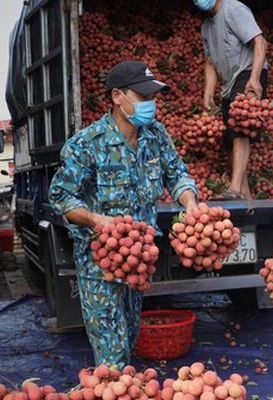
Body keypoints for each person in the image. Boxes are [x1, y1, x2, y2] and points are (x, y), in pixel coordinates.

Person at [49, 60, 198, 368]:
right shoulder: (87, 144)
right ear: (117, 96)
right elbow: (61, 196)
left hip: (139, 260)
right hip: (100, 263)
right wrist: (94, 219)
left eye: (153, 98)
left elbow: (176, 173)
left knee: (130, 337)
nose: (151, 105)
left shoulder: (155, 135)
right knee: (111, 352)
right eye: (143, 97)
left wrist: (190, 202)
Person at [194, 0, 268, 200]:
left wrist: (254, 78)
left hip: (248, 74)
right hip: (229, 84)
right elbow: (210, 63)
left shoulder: (234, 9)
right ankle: (245, 194)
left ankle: (235, 189)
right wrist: (208, 97)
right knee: (229, 139)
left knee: (240, 129)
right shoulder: (206, 28)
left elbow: (260, 41)